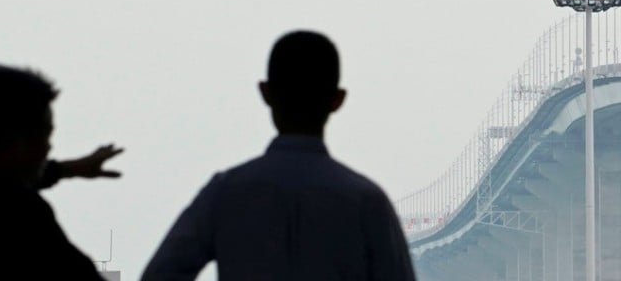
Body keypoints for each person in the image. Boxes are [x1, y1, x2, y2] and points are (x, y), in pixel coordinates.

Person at [143, 31, 416, 280]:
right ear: (337, 99)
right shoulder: (367, 201)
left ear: (266, 93)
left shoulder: (225, 192)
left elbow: (161, 274)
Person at [0, 65, 123, 278]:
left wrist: (66, 169)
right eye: (45, 136)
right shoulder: (22, 214)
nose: (49, 148)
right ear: (16, 141)